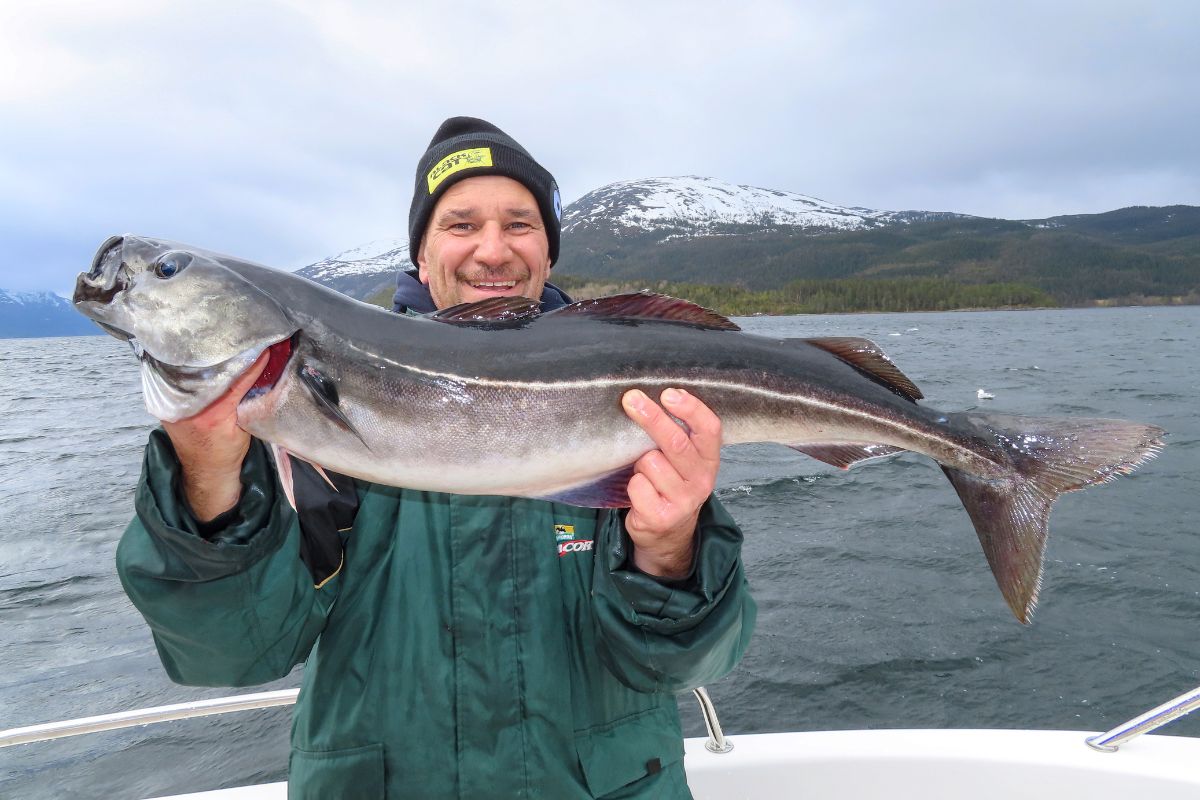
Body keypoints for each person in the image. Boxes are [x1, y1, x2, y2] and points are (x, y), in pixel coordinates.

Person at [117, 117, 757, 799]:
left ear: (547, 255)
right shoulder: (301, 426)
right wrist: (209, 472)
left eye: (519, 224)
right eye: (459, 225)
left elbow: (692, 662)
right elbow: (234, 652)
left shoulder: (626, 401)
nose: (492, 250)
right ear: (421, 257)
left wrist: (670, 548)